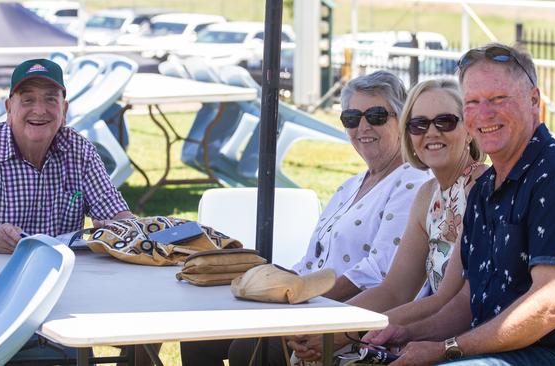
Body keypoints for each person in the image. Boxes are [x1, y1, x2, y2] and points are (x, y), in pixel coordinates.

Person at [180, 71, 433, 365]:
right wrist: (275, 289)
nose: (362, 127)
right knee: (199, 336)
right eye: (351, 118)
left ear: (401, 120)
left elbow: (377, 271)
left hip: (354, 315)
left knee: (251, 350)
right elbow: (314, 260)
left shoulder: (411, 181)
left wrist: (302, 303)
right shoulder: (351, 185)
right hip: (311, 302)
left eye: (376, 116)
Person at [363, 43, 555, 365]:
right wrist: (405, 332)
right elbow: (468, 303)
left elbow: (553, 304)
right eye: (472, 102)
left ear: (534, 101)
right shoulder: (485, 188)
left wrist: (446, 349)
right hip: (488, 350)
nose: (485, 114)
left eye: (499, 99)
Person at [0, 58, 134, 358]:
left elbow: (116, 216)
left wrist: (127, 229)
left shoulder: (80, 151)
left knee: (134, 314)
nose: (40, 110)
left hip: (59, 292)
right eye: (27, 99)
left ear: (65, 109)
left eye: (50, 99)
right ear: (9, 108)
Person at [288, 78, 488, 361]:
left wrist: (343, 332)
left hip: (472, 343)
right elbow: (394, 290)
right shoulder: (427, 195)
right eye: (419, 124)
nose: (431, 132)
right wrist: (333, 327)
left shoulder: (481, 189)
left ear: (469, 130)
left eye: (445, 121)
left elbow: (447, 300)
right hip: (428, 334)